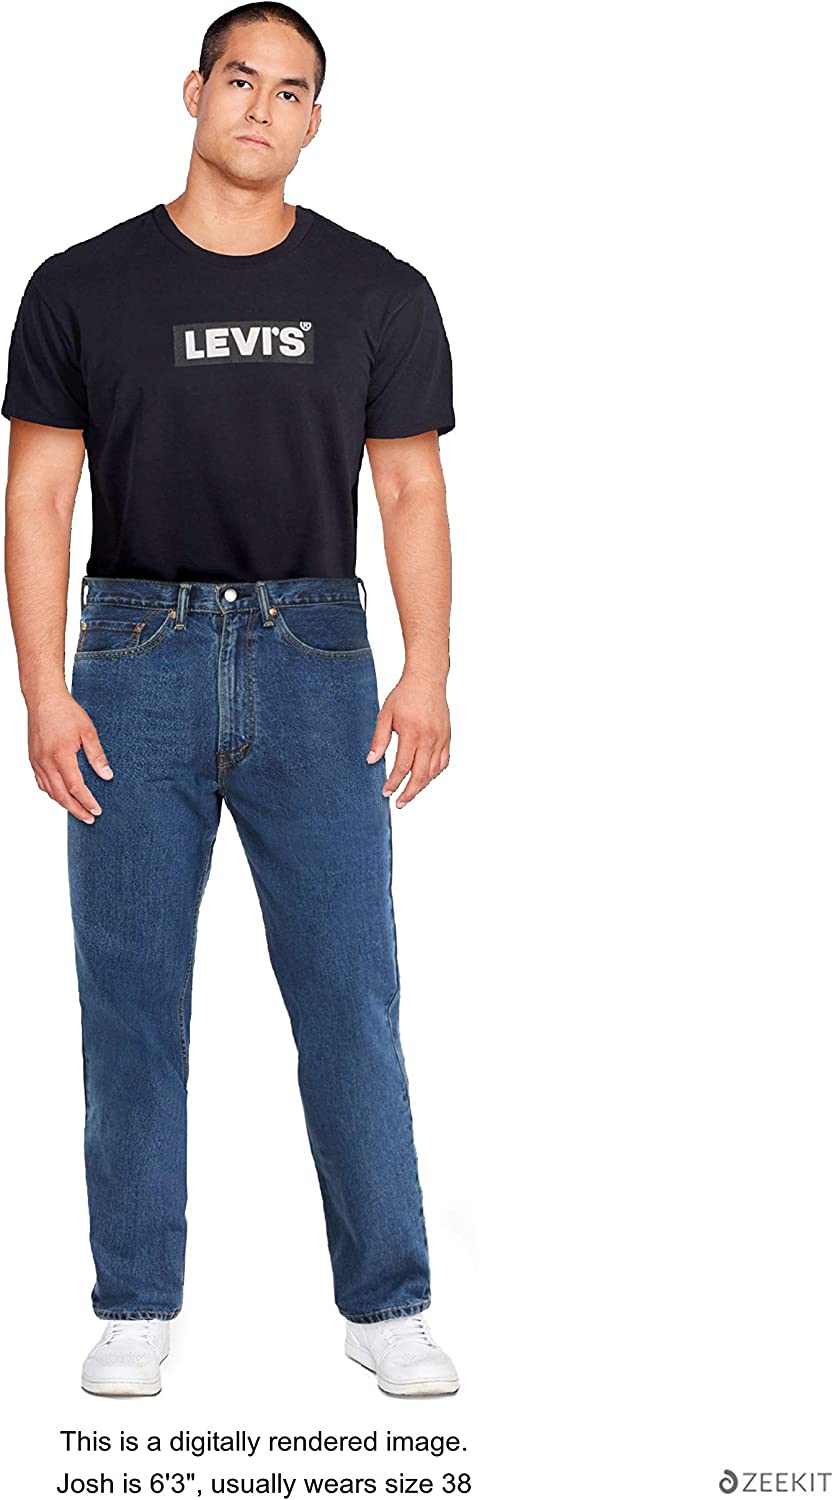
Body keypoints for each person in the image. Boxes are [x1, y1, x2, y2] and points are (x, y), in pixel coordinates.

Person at [2, 3, 458, 1399]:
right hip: (131, 653)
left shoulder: (380, 289)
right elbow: (39, 491)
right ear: (194, 90)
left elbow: (409, 487)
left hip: (316, 657)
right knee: (130, 995)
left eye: (293, 90)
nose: (263, 107)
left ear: (317, 120)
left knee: (349, 992)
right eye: (242, 79)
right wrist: (42, 689)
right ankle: (135, 1299)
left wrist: (428, 668)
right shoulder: (80, 285)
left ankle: (386, 1303)